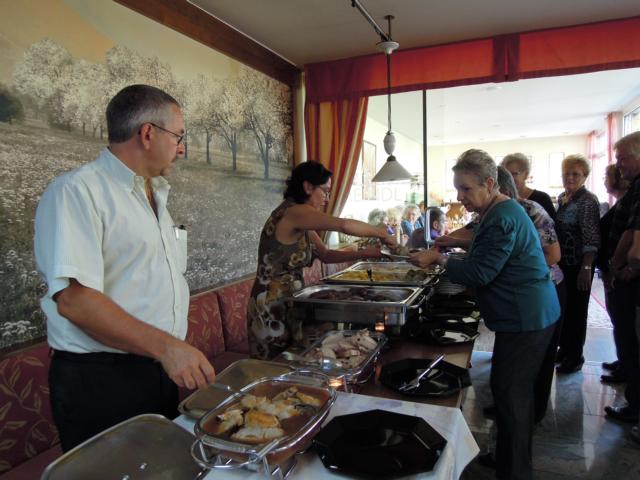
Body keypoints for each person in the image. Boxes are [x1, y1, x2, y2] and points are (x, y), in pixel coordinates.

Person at [33, 84, 216, 452]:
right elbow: (74, 300)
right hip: (102, 381)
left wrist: (167, 352)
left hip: (156, 368)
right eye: (178, 136)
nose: (181, 148)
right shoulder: (77, 191)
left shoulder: (155, 195)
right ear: (147, 133)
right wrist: (167, 347)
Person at [410, 149, 559, 480]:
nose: (459, 197)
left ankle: (515, 471)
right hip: (528, 314)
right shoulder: (498, 210)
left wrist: (439, 260)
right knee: (511, 394)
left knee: (512, 396)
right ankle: (509, 461)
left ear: (490, 183)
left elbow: (480, 272)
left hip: (526, 317)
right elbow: (485, 255)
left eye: (465, 189)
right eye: (457, 189)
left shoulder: (502, 216)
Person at [247, 161, 396, 360]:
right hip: (270, 306)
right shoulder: (294, 212)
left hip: (292, 301)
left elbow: (325, 254)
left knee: (295, 360)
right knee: (274, 365)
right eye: (325, 191)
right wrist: (382, 233)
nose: (327, 199)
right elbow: (343, 225)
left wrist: (365, 253)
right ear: (308, 187)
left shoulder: (302, 221)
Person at [602, 131, 640, 425]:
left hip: (629, 280)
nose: (619, 165)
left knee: (632, 341)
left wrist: (618, 267)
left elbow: (632, 236)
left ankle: (635, 406)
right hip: (625, 276)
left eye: (622, 158)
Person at [554, 154, 600, 374]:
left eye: (576, 174)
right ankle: (565, 349)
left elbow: (592, 237)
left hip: (580, 265)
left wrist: (587, 267)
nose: (570, 177)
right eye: (567, 173)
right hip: (564, 264)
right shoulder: (563, 197)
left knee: (577, 312)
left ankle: (575, 357)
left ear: (585, 176)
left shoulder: (587, 200)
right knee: (565, 309)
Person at [596, 164, 630, 384]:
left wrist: (614, 268)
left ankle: (627, 368)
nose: (604, 180)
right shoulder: (620, 202)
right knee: (618, 320)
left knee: (624, 321)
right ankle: (623, 361)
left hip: (619, 272)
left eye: (606, 176)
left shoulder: (627, 203)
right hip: (611, 270)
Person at [502, 152, 556, 221]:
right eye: (507, 174)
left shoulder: (542, 199)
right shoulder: (501, 200)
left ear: (526, 175)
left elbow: (553, 225)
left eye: (514, 174)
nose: (509, 178)